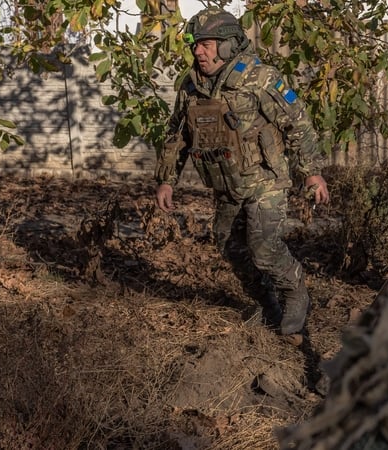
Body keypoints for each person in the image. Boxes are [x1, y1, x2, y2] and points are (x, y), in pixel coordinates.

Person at [153, 7, 330, 339]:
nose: (197, 51)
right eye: (195, 44)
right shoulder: (191, 87)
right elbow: (177, 135)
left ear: (227, 45)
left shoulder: (259, 78)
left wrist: (312, 173)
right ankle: (267, 305)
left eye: (205, 44)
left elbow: (298, 123)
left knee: (263, 248)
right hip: (227, 186)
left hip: (265, 182)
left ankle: (295, 291)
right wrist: (166, 180)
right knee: (230, 248)